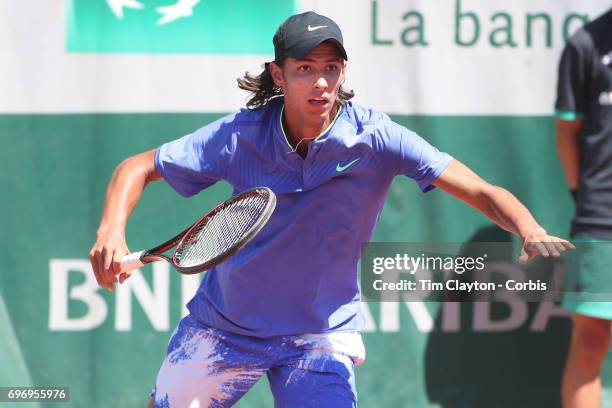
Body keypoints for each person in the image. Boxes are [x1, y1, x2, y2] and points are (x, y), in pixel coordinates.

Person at [90, 11, 573, 408]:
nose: (321, 82)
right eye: (305, 68)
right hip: (224, 329)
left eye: (331, 68)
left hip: (318, 336)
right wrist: (111, 230)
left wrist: (528, 227)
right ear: (278, 74)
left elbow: (482, 191)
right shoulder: (240, 135)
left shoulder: (376, 136)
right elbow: (138, 167)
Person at [555, 8, 612, 408]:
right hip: (602, 217)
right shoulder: (586, 43)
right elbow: (567, 131)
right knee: (590, 341)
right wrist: (584, 196)